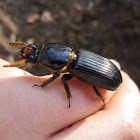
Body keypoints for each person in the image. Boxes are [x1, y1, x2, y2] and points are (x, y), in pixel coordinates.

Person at [0, 58, 139, 140]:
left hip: (108, 78)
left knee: (67, 82)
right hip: (108, 72)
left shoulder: (72, 68)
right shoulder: (71, 56)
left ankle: (76, 97)